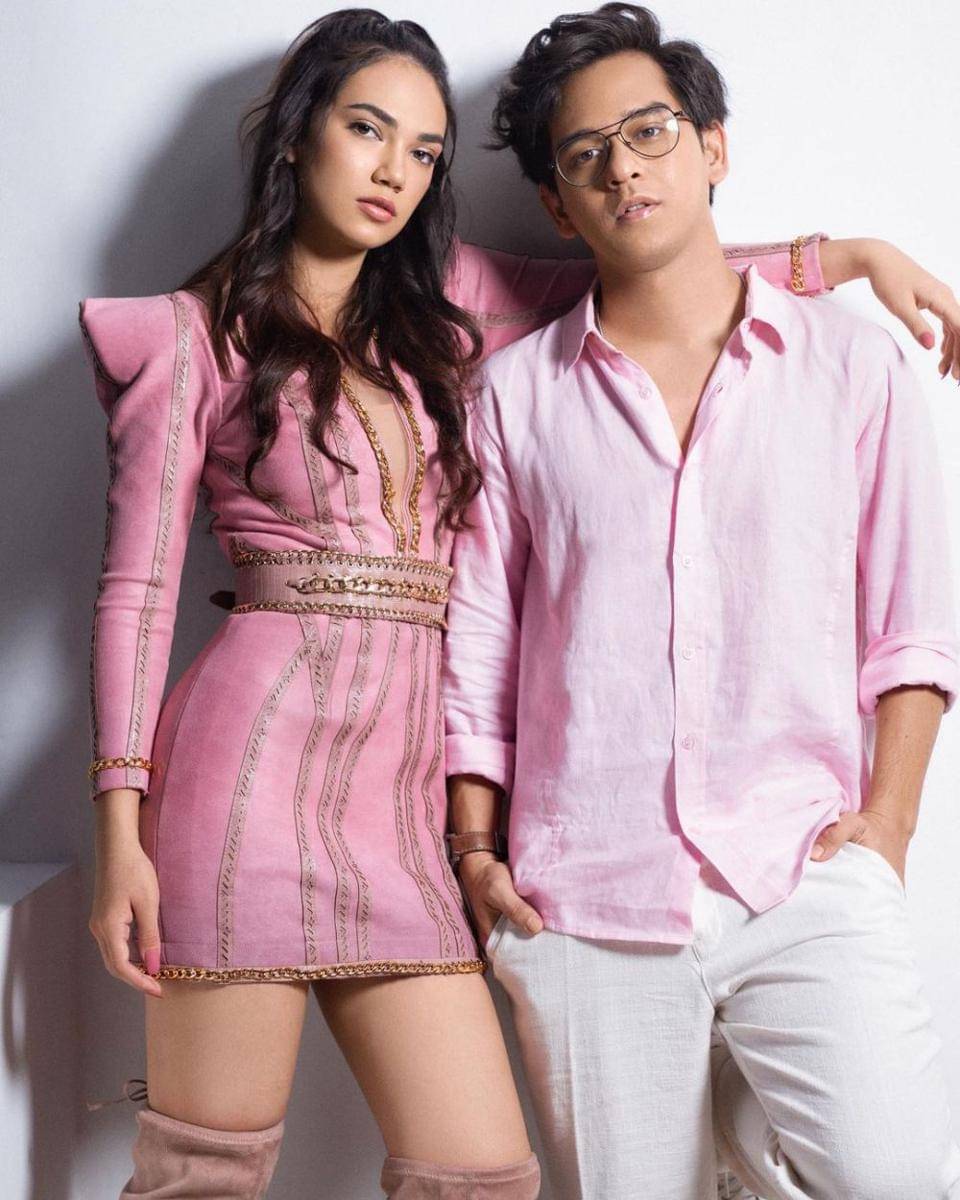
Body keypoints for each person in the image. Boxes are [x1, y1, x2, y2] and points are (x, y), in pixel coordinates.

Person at [81, 8, 958, 1200]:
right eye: (366, 130)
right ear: (295, 137)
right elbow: (137, 593)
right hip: (244, 768)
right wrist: (118, 833)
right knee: (206, 1175)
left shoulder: (450, 309)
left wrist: (843, 257)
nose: (394, 171)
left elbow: (652, 259)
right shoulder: (195, 338)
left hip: (401, 797)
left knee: (481, 1176)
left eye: (425, 150)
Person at [444, 6, 960, 1200]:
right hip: (582, 895)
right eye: (585, 155)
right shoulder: (513, 397)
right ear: (558, 206)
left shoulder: (854, 367)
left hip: (802, 867)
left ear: (713, 146)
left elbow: (913, 629)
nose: (624, 168)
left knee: (893, 1177)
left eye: (650, 131)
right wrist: (475, 852)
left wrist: (888, 829)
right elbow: (480, 649)